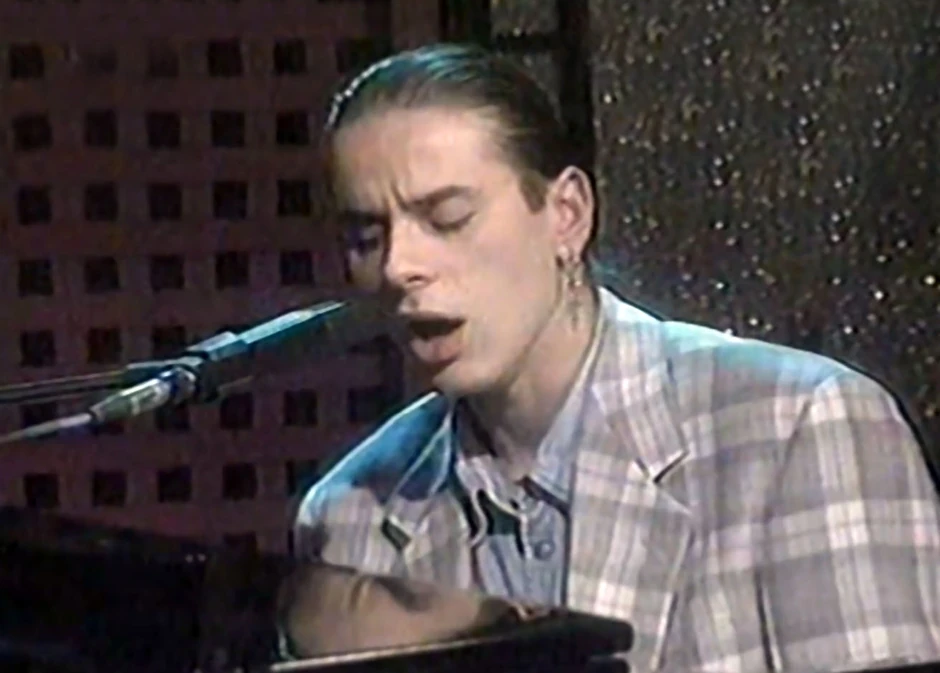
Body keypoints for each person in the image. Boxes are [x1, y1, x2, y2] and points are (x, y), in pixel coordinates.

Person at [289, 43, 940, 672]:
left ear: (567, 214)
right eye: (367, 237)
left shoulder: (802, 428)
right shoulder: (352, 512)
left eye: (448, 217)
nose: (399, 266)